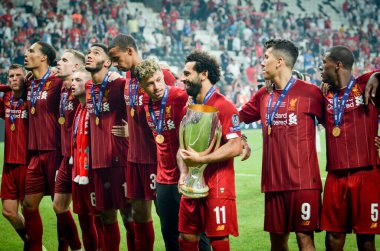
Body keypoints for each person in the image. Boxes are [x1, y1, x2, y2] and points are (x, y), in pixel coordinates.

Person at [239, 39, 323, 251]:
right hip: (274, 184)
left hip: (304, 183)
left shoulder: (310, 92)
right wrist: (238, 137)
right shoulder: (263, 95)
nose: (262, 62)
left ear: (279, 61)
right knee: (277, 243)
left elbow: (335, 123)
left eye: (265, 57)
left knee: (305, 239)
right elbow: (233, 117)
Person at [108, 34, 175, 251]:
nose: (115, 64)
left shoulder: (161, 74)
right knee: (138, 216)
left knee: (166, 216)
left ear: (130, 51)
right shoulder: (127, 78)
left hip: (156, 159)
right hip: (133, 159)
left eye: (117, 58)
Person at [177, 50, 242, 251]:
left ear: (203, 74)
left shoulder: (225, 106)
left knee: (218, 239)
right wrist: (184, 172)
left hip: (218, 184)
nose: (182, 78)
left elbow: (236, 145)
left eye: (187, 74)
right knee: (187, 236)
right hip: (192, 182)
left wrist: (201, 158)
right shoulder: (189, 108)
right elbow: (183, 147)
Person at [319, 45, 380, 251]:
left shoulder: (367, 84)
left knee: (366, 240)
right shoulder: (324, 96)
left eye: (324, 63)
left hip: (366, 174)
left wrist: (379, 74)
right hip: (336, 176)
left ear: (338, 65)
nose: (320, 68)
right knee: (333, 237)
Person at [133, 58, 190, 250]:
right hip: (164, 179)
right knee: (168, 232)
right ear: (142, 86)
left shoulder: (180, 96)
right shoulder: (145, 107)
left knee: (194, 232)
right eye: (150, 83)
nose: (156, 86)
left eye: (158, 80)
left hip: (188, 175)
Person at [21, 41, 70, 251]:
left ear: (44, 58)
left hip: (55, 153)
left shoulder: (58, 81)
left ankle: (64, 247)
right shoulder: (29, 82)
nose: (26, 53)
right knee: (29, 205)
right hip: (35, 154)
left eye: (31, 51)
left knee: (60, 209)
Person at [84, 43, 128, 251]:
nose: (89, 55)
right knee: (107, 217)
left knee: (130, 217)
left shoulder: (119, 84)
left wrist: (132, 132)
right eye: (89, 52)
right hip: (97, 163)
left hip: (120, 161)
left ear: (108, 62)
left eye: (96, 53)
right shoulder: (87, 87)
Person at [53, 48, 83, 251]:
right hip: (65, 157)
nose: (58, 62)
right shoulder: (62, 89)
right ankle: (76, 247)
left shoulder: (83, 89)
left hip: (81, 158)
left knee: (87, 212)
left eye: (64, 60)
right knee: (58, 206)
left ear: (76, 67)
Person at [70, 66, 104, 251]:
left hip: (93, 173)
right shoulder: (79, 108)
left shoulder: (95, 108)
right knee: (83, 218)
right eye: (72, 80)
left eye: (78, 81)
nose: (73, 84)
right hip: (78, 171)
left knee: (99, 220)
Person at [0, 64, 29, 245]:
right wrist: (6, 86)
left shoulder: (31, 98)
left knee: (29, 211)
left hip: (27, 162)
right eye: (11, 76)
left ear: (25, 78)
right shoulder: (7, 98)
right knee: (8, 211)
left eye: (18, 75)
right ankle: (30, 242)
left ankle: (34, 246)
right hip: (9, 164)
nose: (14, 79)